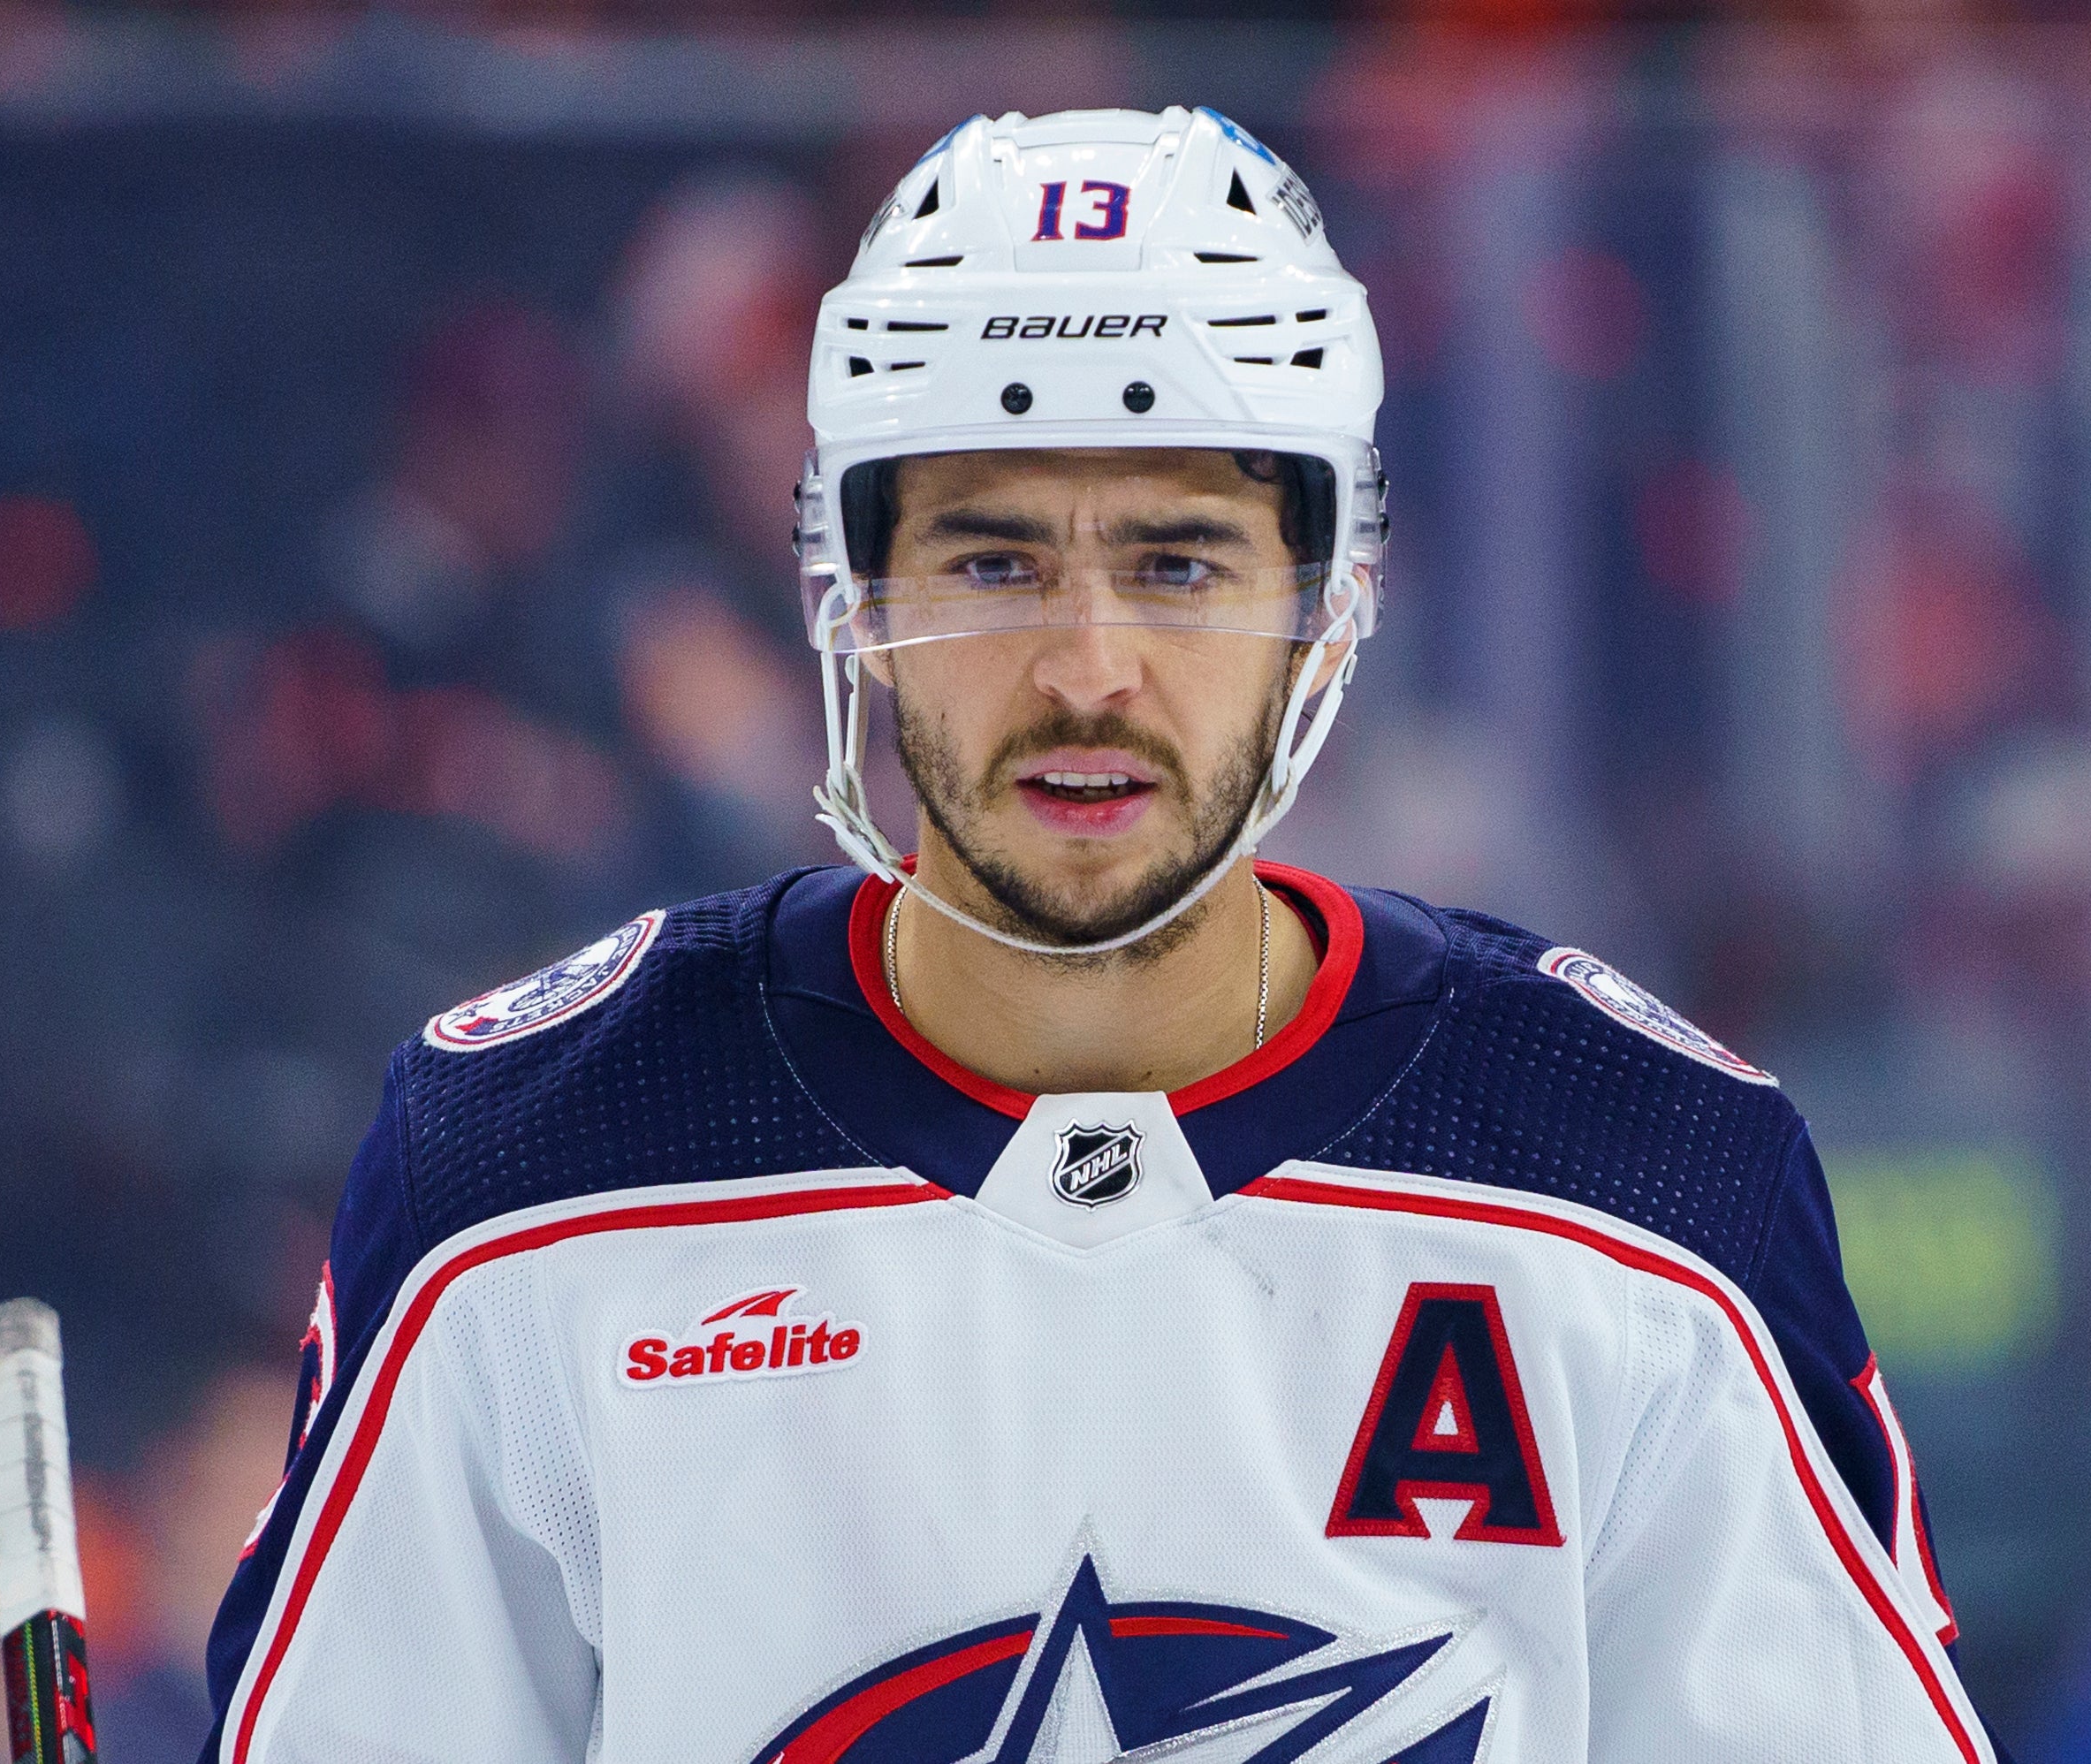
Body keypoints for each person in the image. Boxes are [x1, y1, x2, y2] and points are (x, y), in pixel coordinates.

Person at [199, 107, 1999, 1762]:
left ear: (1327, 602)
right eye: (991, 562)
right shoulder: (528, 1173)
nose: (1083, 668)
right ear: (850, 594)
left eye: (1179, 563)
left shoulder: (1641, 1178)